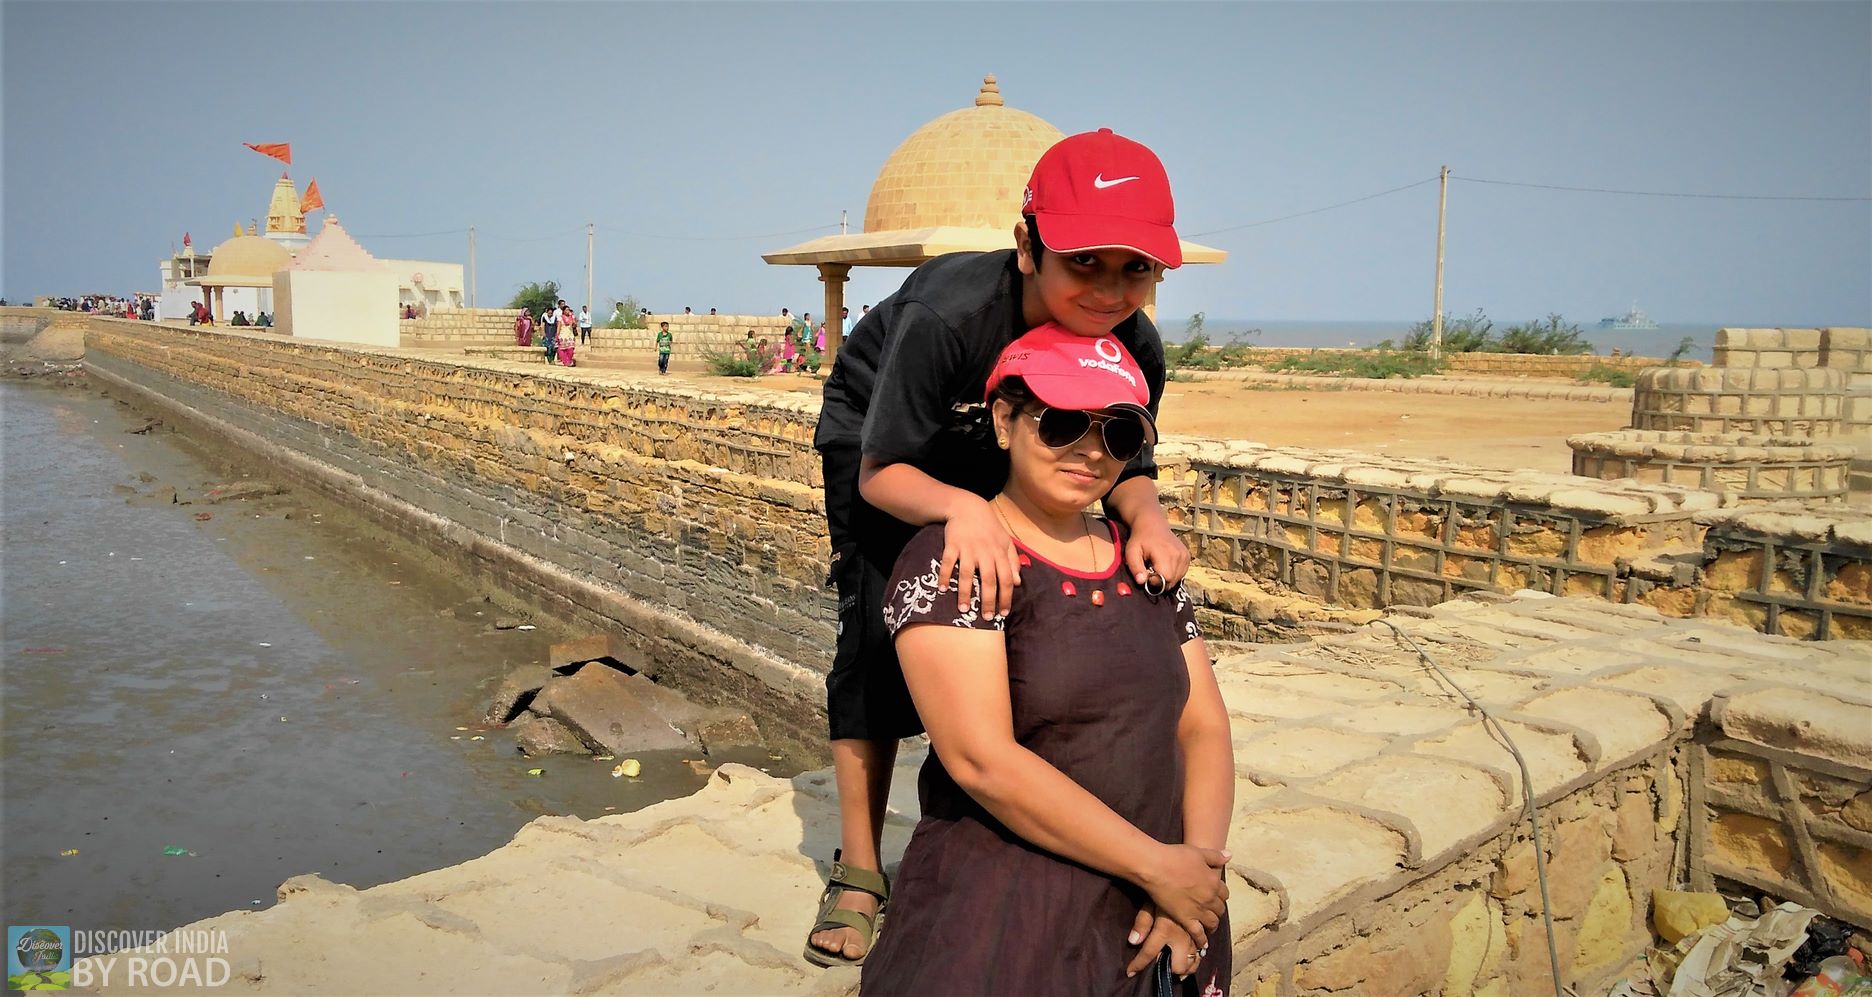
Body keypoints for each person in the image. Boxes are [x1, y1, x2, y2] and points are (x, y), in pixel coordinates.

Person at [805, 128, 1193, 968]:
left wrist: (1151, 516)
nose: (1107, 289)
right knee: (875, 637)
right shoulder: (947, 315)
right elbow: (880, 469)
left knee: (1042, 622)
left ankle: (1028, 789)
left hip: (1027, 439)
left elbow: (1127, 461)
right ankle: (861, 867)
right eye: (1083, 262)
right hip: (895, 447)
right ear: (1028, 246)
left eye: (1134, 268)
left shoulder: (1134, 343)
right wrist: (962, 509)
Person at [858, 325, 1232, 995]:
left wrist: (1195, 881)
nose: (1090, 451)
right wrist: (1158, 866)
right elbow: (982, 759)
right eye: (1062, 423)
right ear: (1005, 418)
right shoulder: (956, 559)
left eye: (1117, 434)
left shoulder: (1145, 558)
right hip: (1011, 924)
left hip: (1157, 911)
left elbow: (1201, 724)